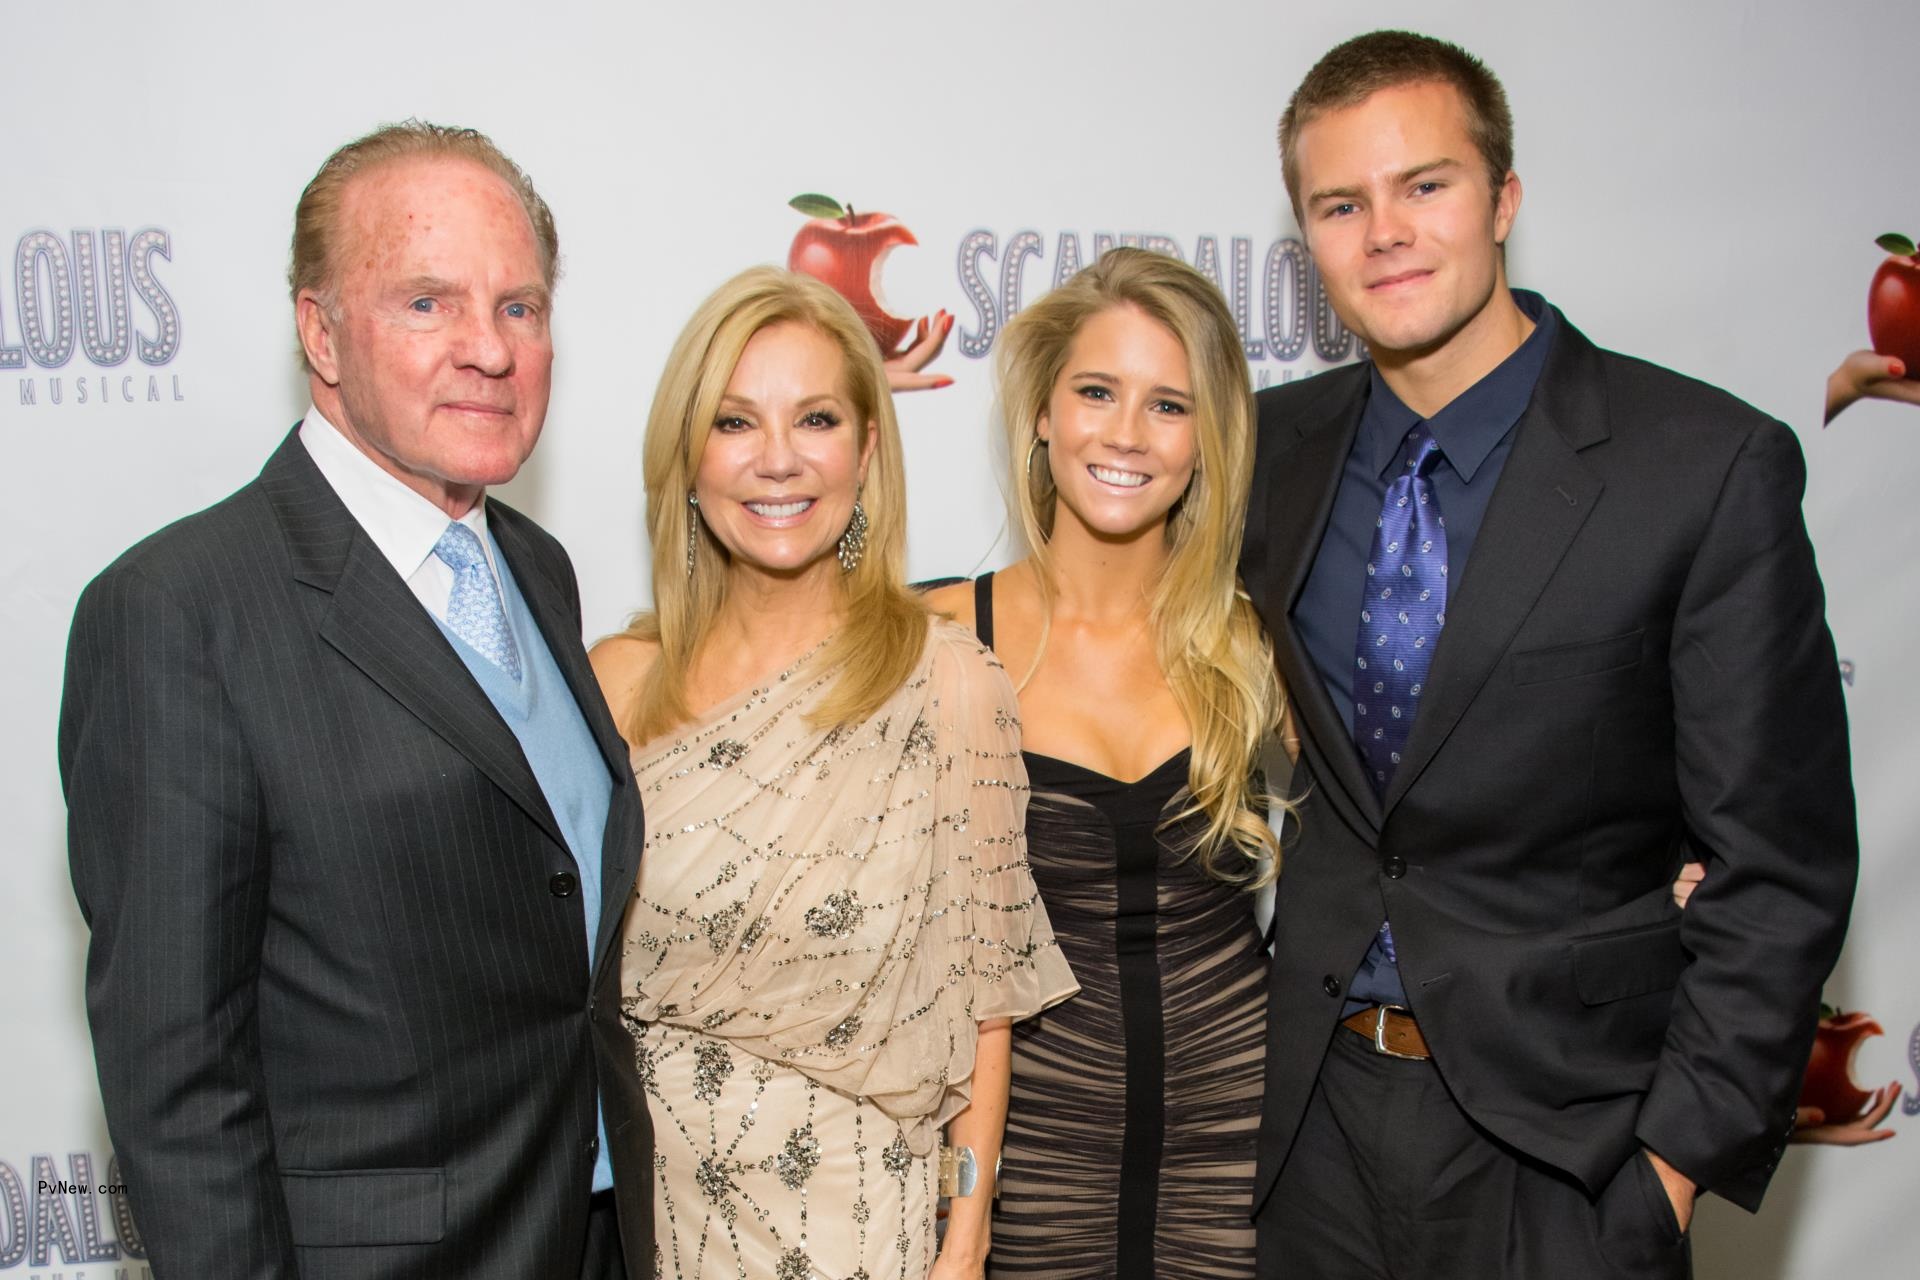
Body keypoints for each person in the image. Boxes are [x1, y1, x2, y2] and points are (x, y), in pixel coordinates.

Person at [1240, 30, 1858, 1279]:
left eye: (1427, 186)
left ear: (1504, 198)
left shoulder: (1699, 464)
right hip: (1307, 1134)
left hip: (1566, 1149)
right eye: (1341, 204)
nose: (1386, 233)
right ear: (1307, 238)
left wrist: (1667, 1174)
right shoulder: (1264, 450)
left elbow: (1778, 868)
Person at [59, 122, 651, 1278]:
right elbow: (179, 1086)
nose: (489, 348)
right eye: (427, 302)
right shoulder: (180, 610)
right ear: (320, 332)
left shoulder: (535, 565)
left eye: (520, 307)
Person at [589, 265, 1076, 1280]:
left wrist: (965, 1240)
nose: (776, 460)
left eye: (813, 418)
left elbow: (986, 1000)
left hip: (857, 1224)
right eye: (733, 423)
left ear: (865, 449)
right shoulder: (616, 686)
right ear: (685, 456)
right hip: (648, 1222)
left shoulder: (947, 683)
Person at [925, 247, 1286, 1280]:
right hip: (1024, 1151)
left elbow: (1431, 818)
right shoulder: (946, 636)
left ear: (1208, 440)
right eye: (1096, 391)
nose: (1125, 432)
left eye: (1169, 404)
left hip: (1242, 1146)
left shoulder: (1262, 647)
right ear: (1043, 412)